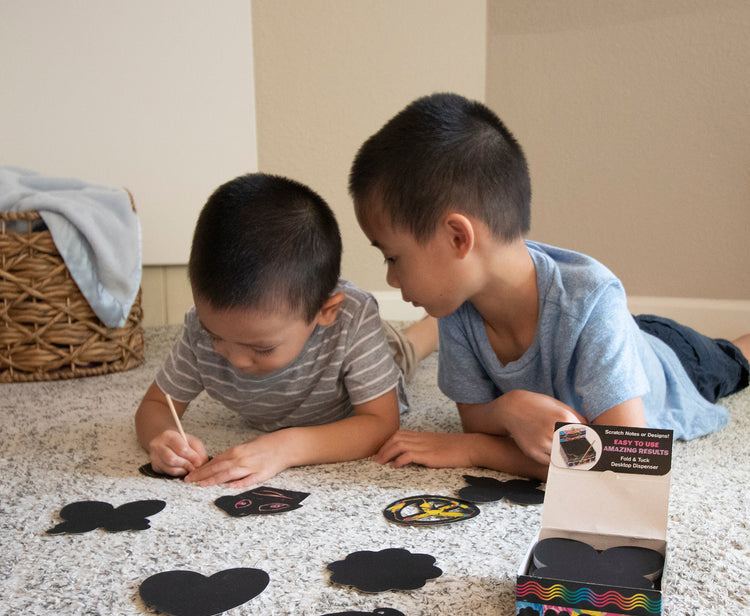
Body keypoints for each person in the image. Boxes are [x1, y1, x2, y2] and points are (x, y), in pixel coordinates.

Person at [348, 92, 750, 480]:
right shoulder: (456, 304)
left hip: (677, 361)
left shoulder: (592, 301)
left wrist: (475, 450)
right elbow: (476, 417)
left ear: (458, 238)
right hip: (622, 337)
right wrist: (509, 408)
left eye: (393, 258)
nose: (390, 279)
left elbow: (625, 459)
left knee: (733, 355)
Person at [135, 173, 438, 488]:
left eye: (262, 348)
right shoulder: (200, 326)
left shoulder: (352, 322)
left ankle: (439, 324)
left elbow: (381, 425)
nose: (235, 360)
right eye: (216, 336)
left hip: (364, 354)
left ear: (325, 312)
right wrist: (163, 439)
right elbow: (155, 406)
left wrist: (284, 447)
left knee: (407, 350)